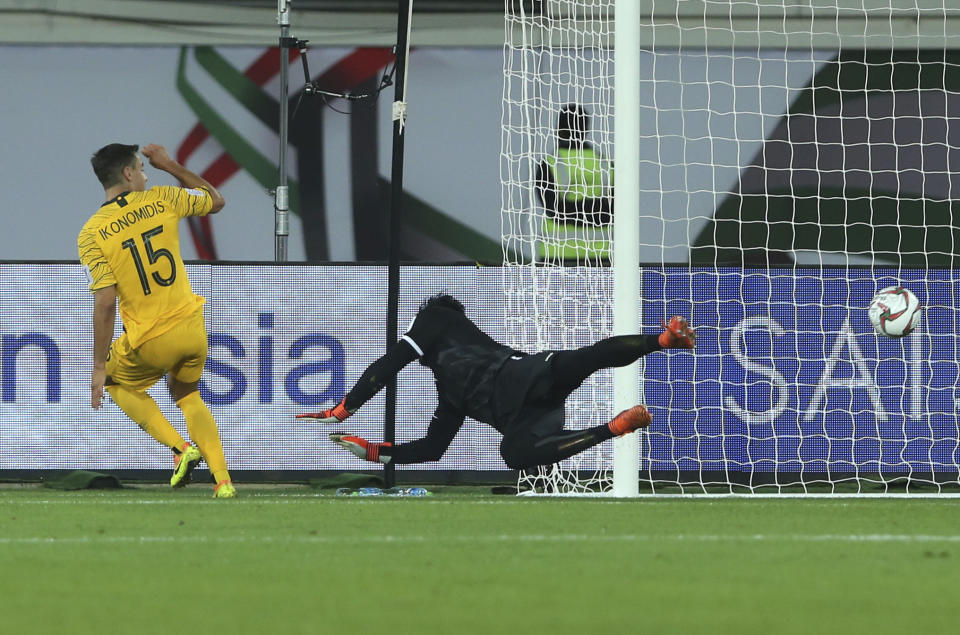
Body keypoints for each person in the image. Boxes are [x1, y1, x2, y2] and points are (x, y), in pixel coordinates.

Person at [297, 293, 695, 471]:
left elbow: (389, 363)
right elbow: (433, 449)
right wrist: (370, 452)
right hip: (531, 410)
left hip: (522, 374)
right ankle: (615, 426)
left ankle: (662, 340)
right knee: (515, 455)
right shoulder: (449, 395)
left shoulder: (436, 316)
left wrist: (341, 410)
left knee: (583, 359)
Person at [78, 143, 236, 498]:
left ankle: (181, 449)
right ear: (129, 174)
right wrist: (170, 164)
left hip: (150, 339)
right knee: (188, 394)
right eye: (142, 169)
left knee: (118, 383)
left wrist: (98, 366)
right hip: (192, 328)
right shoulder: (164, 198)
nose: (147, 175)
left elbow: (105, 303)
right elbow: (216, 200)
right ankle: (223, 481)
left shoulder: (91, 233)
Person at [534, 103, 613, 263]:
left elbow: (555, 210)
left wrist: (570, 209)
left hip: (557, 255)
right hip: (601, 256)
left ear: (558, 128)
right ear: (586, 130)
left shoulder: (550, 163)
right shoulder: (605, 164)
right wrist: (595, 210)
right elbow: (610, 211)